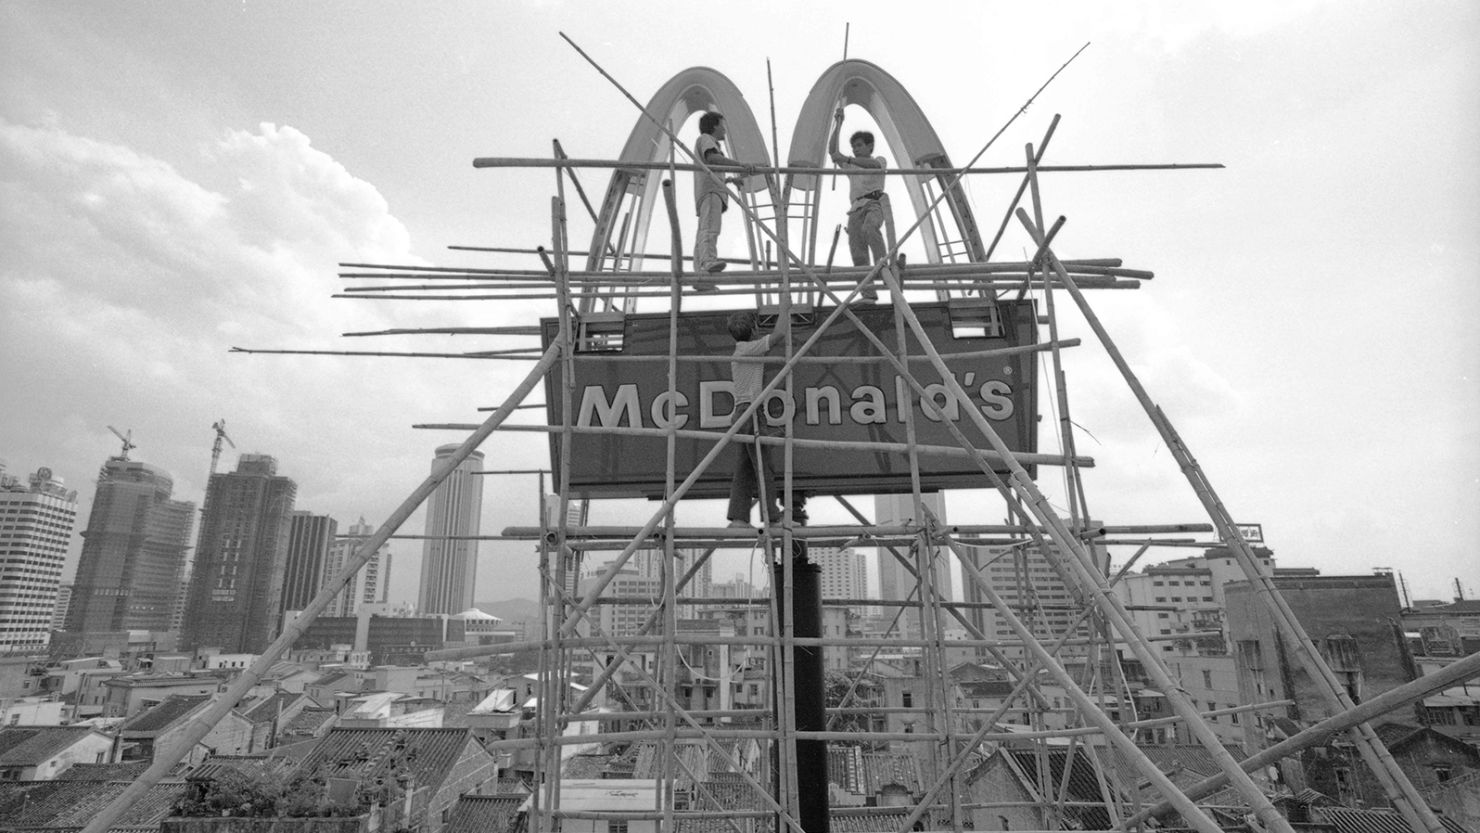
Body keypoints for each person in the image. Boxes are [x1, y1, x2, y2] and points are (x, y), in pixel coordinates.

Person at [725, 309, 790, 527]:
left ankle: (738, 517)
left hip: (742, 412)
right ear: (753, 329)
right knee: (764, 467)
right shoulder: (749, 347)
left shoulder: (741, 349)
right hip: (751, 412)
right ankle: (771, 516)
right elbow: (780, 334)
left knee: (744, 469)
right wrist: (785, 305)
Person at [828, 106, 893, 302]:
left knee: (870, 228)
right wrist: (838, 124)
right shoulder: (851, 164)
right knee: (857, 253)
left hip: (874, 203)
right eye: (854, 146)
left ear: (869, 147)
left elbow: (873, 166)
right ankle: (868, 293)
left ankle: (883, 267)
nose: (855, 149)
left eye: (859, 146)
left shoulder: (878, 160)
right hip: (855, 209)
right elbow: (833, 152)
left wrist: (847, 157)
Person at [693, 111, 754, 285]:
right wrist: (740, 165)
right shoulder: (706, 139)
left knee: (703, 229)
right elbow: (712, 158)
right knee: (711, 227)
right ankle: (708, 260)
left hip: (709, 189)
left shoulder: (706, 141)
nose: (725, 130)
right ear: (714, 126)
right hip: (711, 191)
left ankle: (700, 277)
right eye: (722, 125)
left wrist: (729, 179)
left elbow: (712, 168)